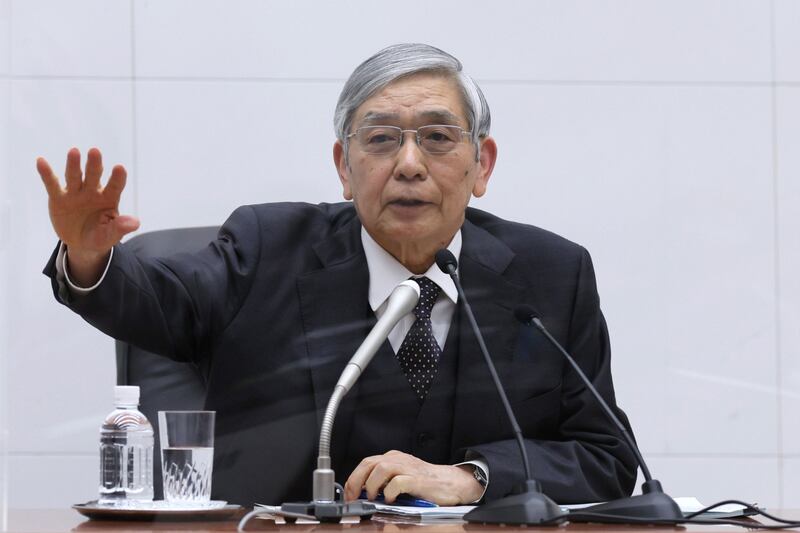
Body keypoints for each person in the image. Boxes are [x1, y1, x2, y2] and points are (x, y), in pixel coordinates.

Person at [39, 43, 637, 507]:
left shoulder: (551, 276)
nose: (408, 164)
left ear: (482, 164)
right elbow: (163, 303)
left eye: (436, 138)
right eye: (380, 139)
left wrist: (473, 477)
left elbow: (605, 456)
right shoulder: (265, 248)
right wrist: (90, 258)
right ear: (343, 168)